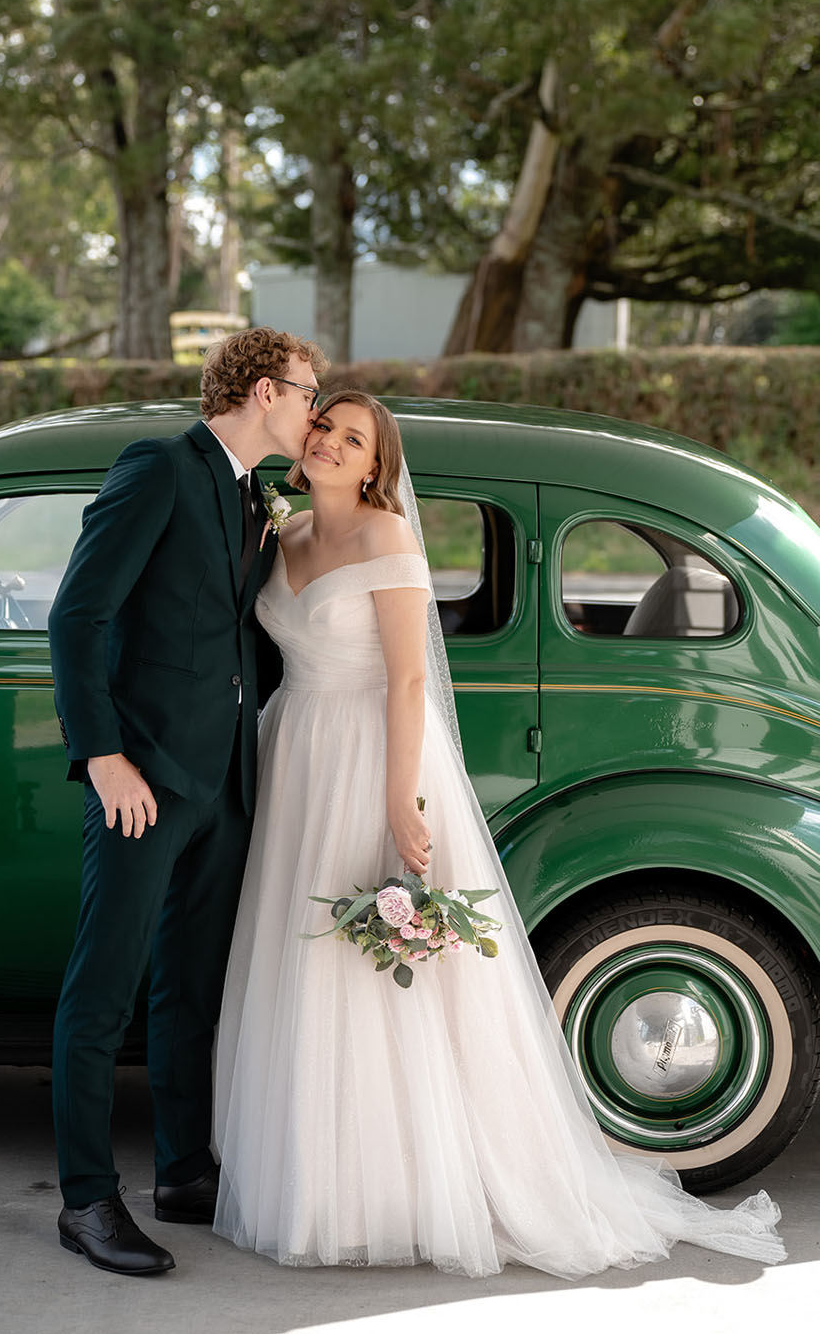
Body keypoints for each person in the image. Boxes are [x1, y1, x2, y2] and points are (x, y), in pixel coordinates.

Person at [213, 390, 785, 1279]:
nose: (327, 441)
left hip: (370, 755)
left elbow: (408, 681)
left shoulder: (386, 538)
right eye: (323, 425)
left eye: (352, 438)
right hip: (296, 752)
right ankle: (317, 1176)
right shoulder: (281, 537)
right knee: (303, 955)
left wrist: (402, 800)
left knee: (371, 963)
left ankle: (401, 1189)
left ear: (376, 466)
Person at [47, 326, 327, 1276]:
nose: (314, 410)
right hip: (146, 778)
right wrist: (102, 758)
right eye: (305, 391)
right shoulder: (159, 468)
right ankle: (86, 1201)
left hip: (226, 781)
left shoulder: (253, 494)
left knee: (190, 987)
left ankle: (181, 1169)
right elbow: (77, 614)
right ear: (259, 391)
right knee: (104, 988)